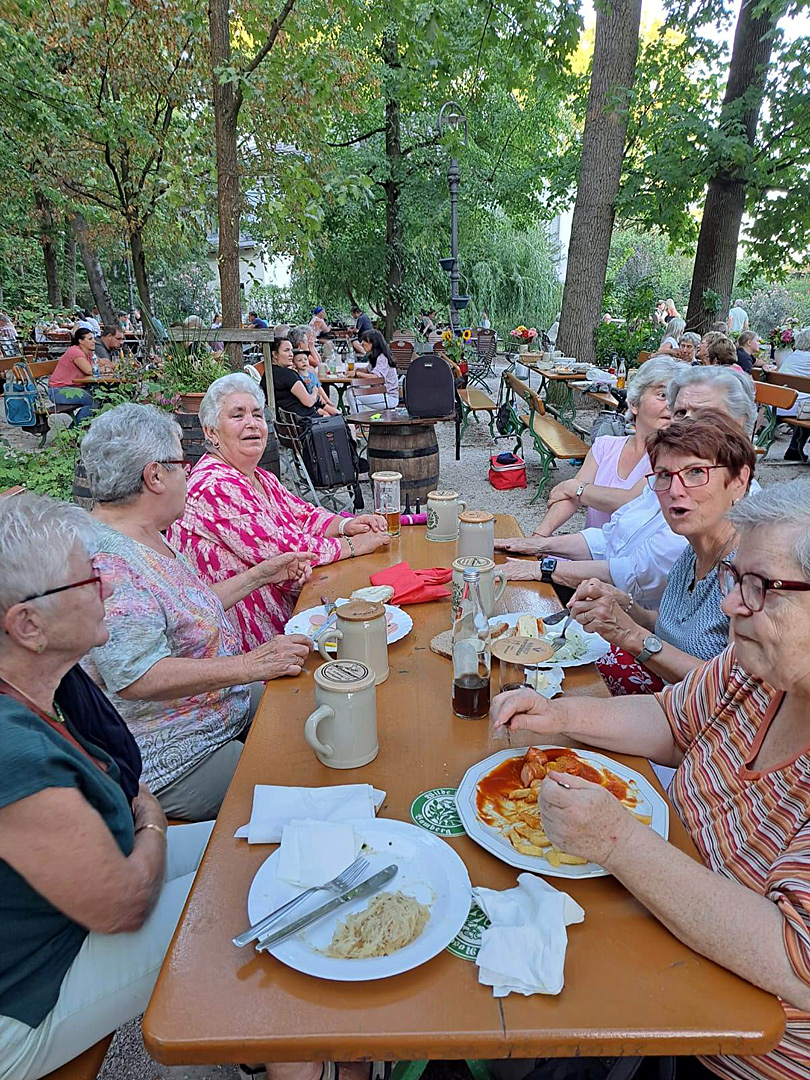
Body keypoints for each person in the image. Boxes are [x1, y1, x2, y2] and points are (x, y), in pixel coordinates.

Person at [491, 476, 810, 1080]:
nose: (731, 605)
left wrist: (618, 843)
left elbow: (795, 963)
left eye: (760, 587)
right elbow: (671, 717)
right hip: (658, 925)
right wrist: (559, 713)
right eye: (734, 579)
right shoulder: (763, 666)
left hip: (729, 1045)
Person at [0, 492, 213, 1080]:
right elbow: (123, 903)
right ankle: (298, 1061)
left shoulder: (51, 685)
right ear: (28, 624)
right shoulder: (10, 752)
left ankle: (258, 1047)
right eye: (90, 581)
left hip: (70, 910)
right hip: (28, 990)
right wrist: (151, 819)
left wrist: (145, 814)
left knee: (251, 842)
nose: (110, 590)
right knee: (243, 901)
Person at [80, 404, 315, 821]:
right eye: (180, 464)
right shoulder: (109, 561)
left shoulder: (144, 534)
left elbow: (187, 607)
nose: (187, 474)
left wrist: (259, 575)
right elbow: (136, 674)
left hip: (217, 709)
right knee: (303, 779)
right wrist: (247, 665)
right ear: (154, 476)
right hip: (174, 754)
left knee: (310, 696)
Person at [497, 365, 757, 606]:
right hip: (621, 612)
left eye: (704, 414)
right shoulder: (666, 476)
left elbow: (641, 573)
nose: (685, 423)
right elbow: (611, 537)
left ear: (740, 422)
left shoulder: (722, 497)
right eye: (680, 412)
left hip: (631, 617)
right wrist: (540, 545)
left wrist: (542, 568)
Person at [168, 373, 391, 650]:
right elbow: (284, 551)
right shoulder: (214, 485)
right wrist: (354, 545)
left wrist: (347, 525)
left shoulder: (259, 476)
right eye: (238, 416)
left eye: (257, 415)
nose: (252, 423)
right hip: (240, 650)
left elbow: (303, 514)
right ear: (211, 432)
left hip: (287, 620)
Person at [569, 410, 755, 697]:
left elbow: (732, 693)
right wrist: (626, 605)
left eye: (696, 472)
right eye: (664, 476)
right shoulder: (692, 552)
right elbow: (676, 632)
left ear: (739, 480)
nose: (675, 490)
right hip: (661, 702)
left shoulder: (752, 573)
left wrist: (631, 636)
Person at [533, 356, 677, 536]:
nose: (671, 405)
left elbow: (631, 500)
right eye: (662, 395)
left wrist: (576, 488)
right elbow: (570, 499)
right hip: (583, 552)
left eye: (675, 398)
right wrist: (540, 534)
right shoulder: (605, 446)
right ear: (634, 403)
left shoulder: (673, 457)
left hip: (630, 561)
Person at [270, 336, 337, 419]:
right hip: (303, 423)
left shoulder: (271, 372)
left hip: (293, 420)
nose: (291, 354)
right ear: (275, 354)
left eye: (291, 350)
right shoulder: (287, 375)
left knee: (333, 416)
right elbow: (308, 402)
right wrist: (315, 392)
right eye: (286, 350)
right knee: (344, 424)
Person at [47, 328, 97, 421]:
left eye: (93, 338)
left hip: (73, 388)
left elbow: (100, 363)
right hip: (59, 391)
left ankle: (85, 427)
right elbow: (90, 370)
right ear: (81, 341)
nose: (94, 341)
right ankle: (76, 430)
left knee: (99, 394)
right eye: (90, 339)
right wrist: (105, 368)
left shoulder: (88, 353)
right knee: (94, 400)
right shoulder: (75, 351)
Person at [777, 326, 810, 461]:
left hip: (779, 402)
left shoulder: (794, 355)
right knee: (807, 409)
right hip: (792, 404)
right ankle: (794, 448)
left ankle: (794, 449)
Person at [350, 329, 400, 411]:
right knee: (351, 391)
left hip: (388, 397)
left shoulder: (383, 357)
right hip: (380, 394)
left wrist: (356, 373)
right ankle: (359, 419)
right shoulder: (374, 356)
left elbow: (376, 377)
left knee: (353, 394)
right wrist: (356, 369)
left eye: (365, 341)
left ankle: (359, 420)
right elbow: (368, 370)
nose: (362, 343)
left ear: (374, 343)